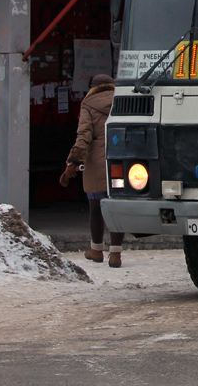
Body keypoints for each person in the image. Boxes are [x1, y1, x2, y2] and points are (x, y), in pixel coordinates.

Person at [61, 74, 124, 267]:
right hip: (121, 160)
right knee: (116, 207)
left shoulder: (88, 104)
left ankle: (96, 249)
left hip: (96, 163)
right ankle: (115, 254)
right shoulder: (122, 100)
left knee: (96, 207)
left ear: (92, 87)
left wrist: (73, 161)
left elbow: (84, 136)